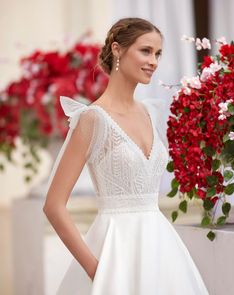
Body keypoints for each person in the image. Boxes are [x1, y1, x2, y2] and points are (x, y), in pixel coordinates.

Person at [43, 17, 209, 294]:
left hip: (161, 251)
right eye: (145, 51)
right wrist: (96, 269)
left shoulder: (149, 113)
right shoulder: (93, 119)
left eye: (158, 54)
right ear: (118, 49)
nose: (154, 61)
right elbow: (54, 205)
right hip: (115, 250)